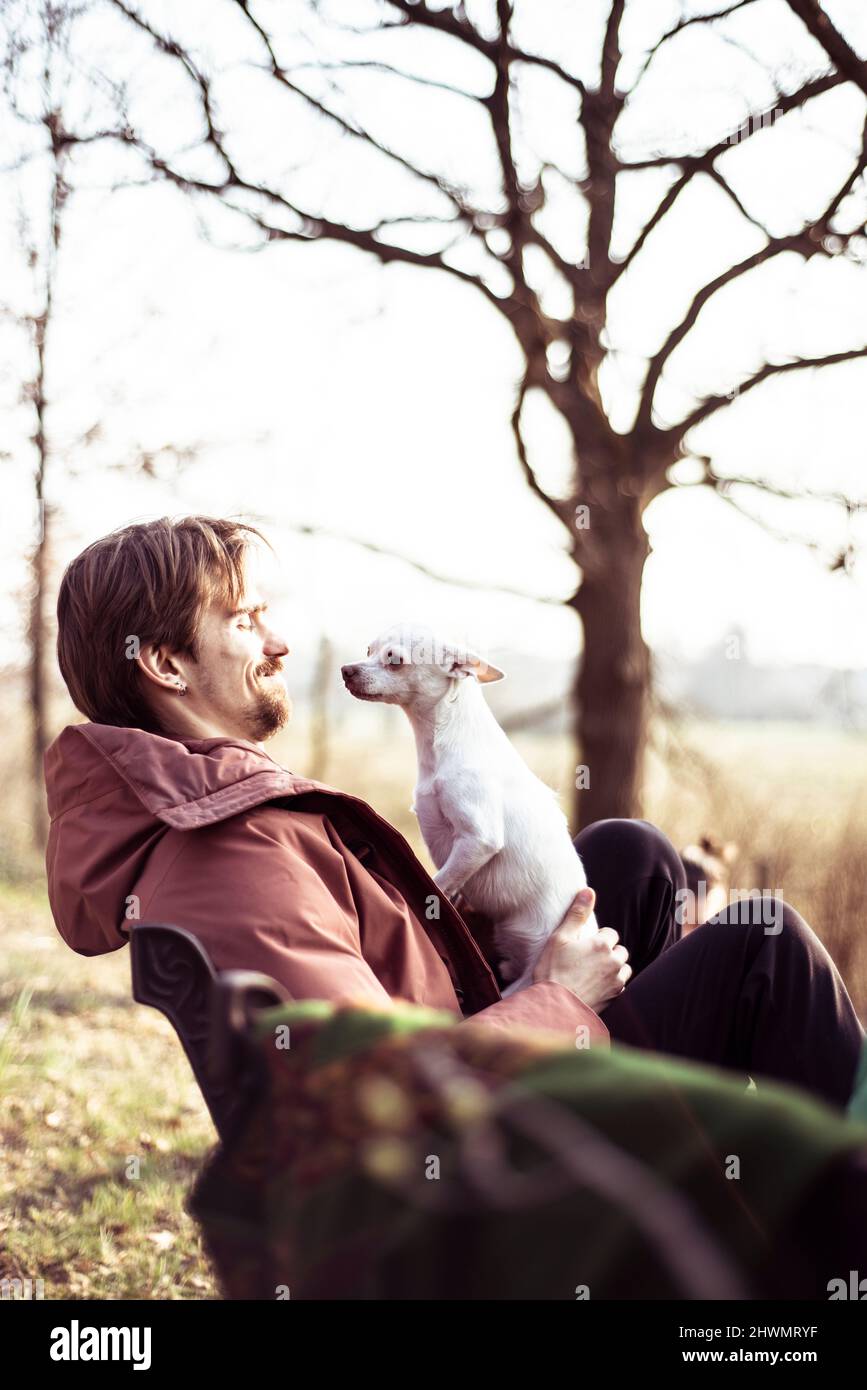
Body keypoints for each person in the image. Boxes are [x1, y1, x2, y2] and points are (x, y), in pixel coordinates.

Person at [43, 515, 865, 1114]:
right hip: (502, 1155)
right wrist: (560, 998)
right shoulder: (230, 857)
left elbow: (382, 963)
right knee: (763, 941)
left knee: (630, 854)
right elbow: (376, 1096)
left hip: (482, 1041)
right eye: (245, 621)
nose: (280, 642)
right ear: (163, 664)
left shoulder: (222, 813)